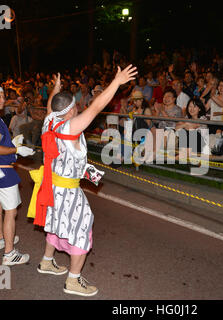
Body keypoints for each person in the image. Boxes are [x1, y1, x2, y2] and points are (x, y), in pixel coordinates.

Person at [28, 65, 137, 297]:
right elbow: (96, 107)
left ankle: (47, 261)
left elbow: (51, 107)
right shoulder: (70, 127)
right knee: (81, 229)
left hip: (52, 187)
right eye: (75, 106)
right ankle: (73, 281)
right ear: (69, 111)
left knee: (56, 223)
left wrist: (56, 89)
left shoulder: (50, 120)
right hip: (67, 190)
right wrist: (116, 83)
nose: (79, 108)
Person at [0, 86, 35, 265]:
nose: (2, 100)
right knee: (10, 211)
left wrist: (12, 145)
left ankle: (1, 239)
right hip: (1, 171)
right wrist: (17, 149)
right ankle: (9, 253)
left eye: (3, 96)